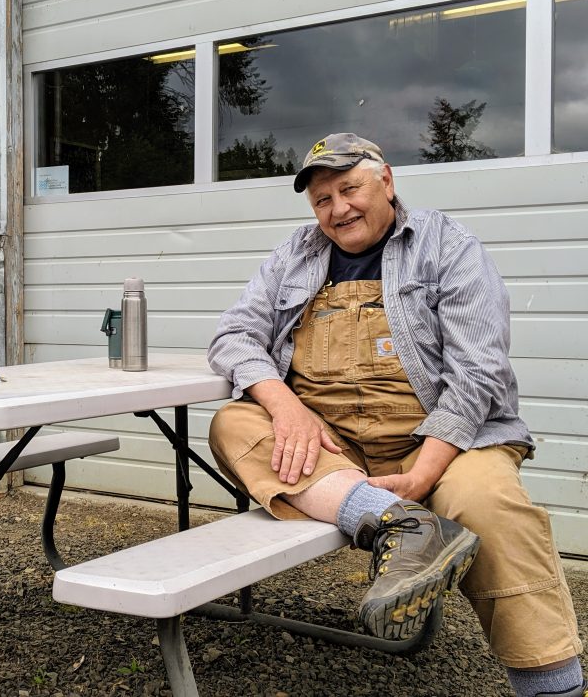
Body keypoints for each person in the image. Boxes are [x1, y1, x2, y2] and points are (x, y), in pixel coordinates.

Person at [207, 133, 585, 697]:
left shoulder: (446, 244)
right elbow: (234, 335)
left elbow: (478, 373)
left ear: (386, 180)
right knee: (233, 424)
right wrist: (285, 408)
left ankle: (551, 687)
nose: (338, 209)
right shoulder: (295, 254)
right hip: (336, 444)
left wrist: (423, 474)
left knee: (491, 507)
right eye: (322, 200)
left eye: (349, 189)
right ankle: (399, 523)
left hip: (448, 440)